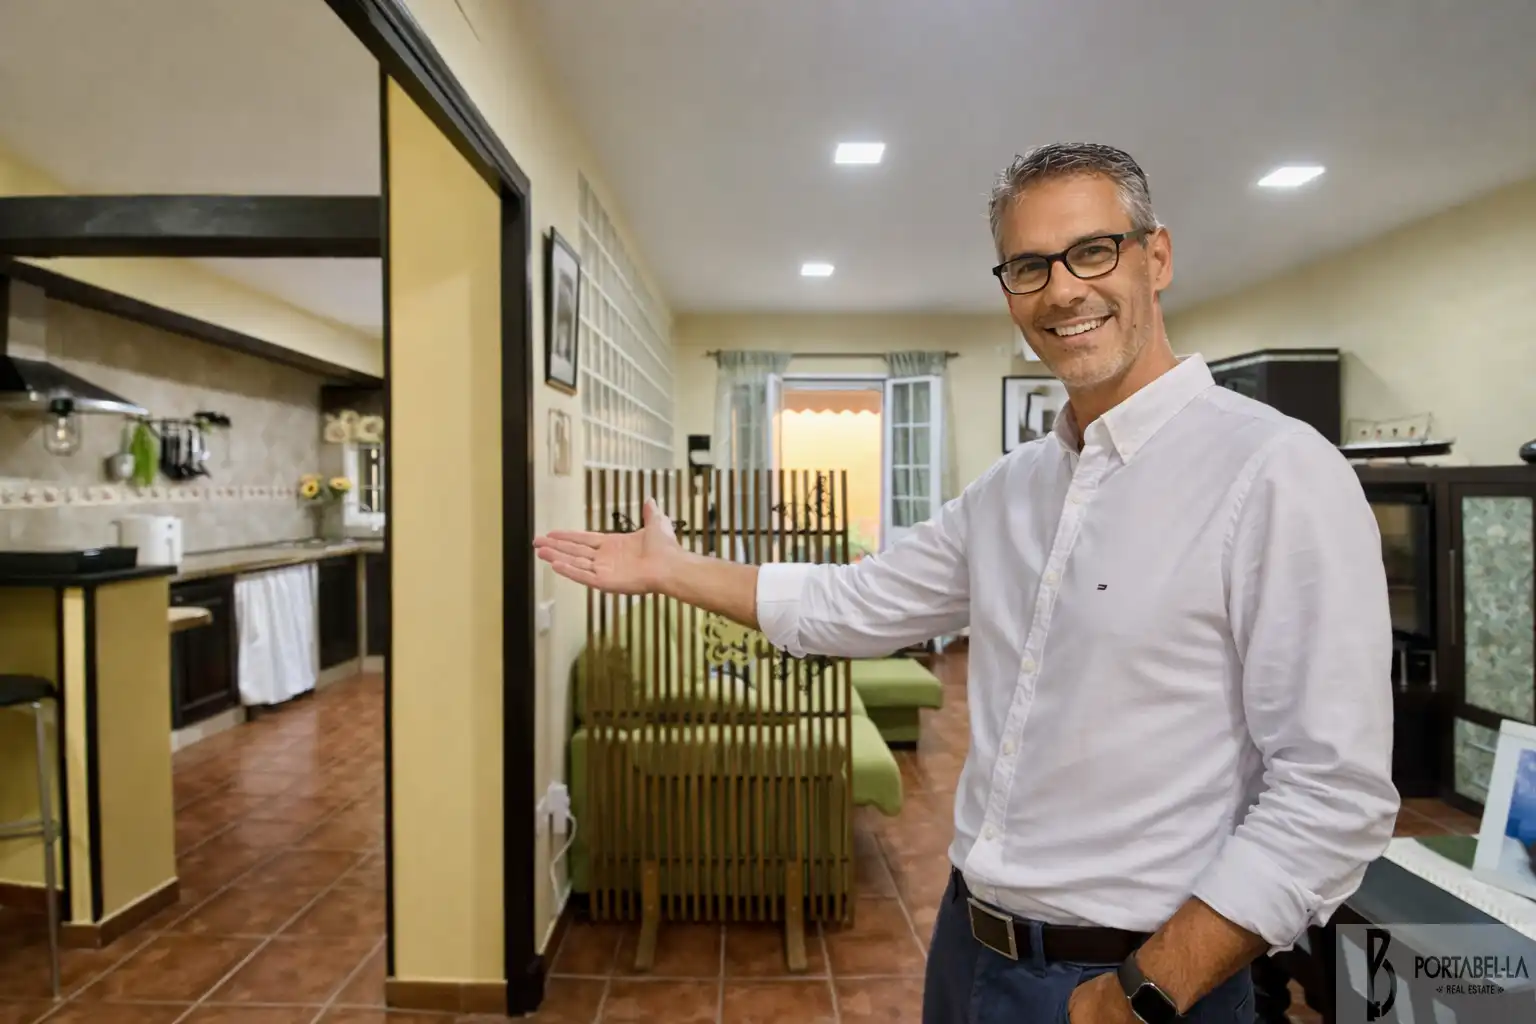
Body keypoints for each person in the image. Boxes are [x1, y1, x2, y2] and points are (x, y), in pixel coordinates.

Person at [533, 142, 1399, 1023]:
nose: (1062, 290)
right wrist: (672, 570)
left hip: (1133, 980)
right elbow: (851, 602)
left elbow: (1334, 794)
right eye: (1029, 266)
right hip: (969, 949)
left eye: (1092, 251)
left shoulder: (1276, 471)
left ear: (1157, 256)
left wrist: (1140, 994)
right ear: (1009, 289)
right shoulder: (1012, 489)